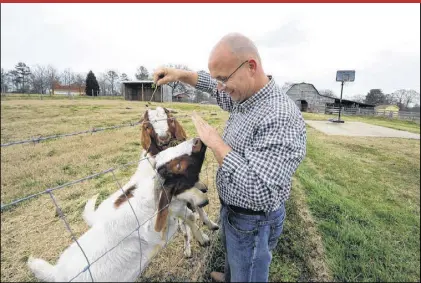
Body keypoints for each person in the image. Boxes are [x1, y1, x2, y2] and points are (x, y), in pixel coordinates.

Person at [153, 32, 307, 282]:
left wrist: (216, 144)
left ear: (251, 67)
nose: (220, 88)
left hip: (253, 222)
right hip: (234, 212)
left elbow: (259, 191)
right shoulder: (245, 96)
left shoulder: (280, 117)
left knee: (249, 268)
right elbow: (211, 84)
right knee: (236, 259)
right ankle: (232, 275)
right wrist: (179, 74)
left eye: (223, 79)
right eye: (218, 80)